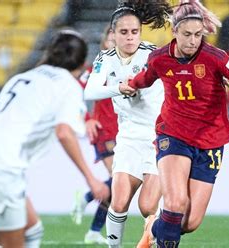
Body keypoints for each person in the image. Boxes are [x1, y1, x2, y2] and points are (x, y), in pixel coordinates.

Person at [127, 1, 229, 247]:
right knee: (175, 203)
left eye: (198, 35)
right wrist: (131, 85)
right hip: (173, 135)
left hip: (211, 142)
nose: (192, 41)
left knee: (189, 222)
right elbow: (145, 78)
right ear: (174, 32)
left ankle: (153, 228)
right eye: (187, 34)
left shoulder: (215, 57)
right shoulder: (159, 58)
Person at [0, 30, 110, 248]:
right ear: (82, 62)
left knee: (31, 230)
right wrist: (91, 179)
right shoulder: (67, 85)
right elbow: (64, 132)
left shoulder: (24, 76)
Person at [84, 1, 172, 247]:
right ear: (113, 33)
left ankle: (156, 236)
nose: (130, 37)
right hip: (128, 139)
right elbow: (90, 92)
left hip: (159, 138)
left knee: (147, 206)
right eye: (124, 32)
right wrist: (119, 89)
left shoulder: (153, 54)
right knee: (119, 201)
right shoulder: (106, 58)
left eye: (134, 32)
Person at [71, 25, 117, 245]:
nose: (115, 41)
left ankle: (93, 231)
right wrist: (87, 118)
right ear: (105, 42)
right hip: (104, 131)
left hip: (125, 131)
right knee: (119, 180)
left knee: (120, 185)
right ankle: (88, 198)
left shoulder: (132, 66)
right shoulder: (98, 67)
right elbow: (74, 91)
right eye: (111, 38)